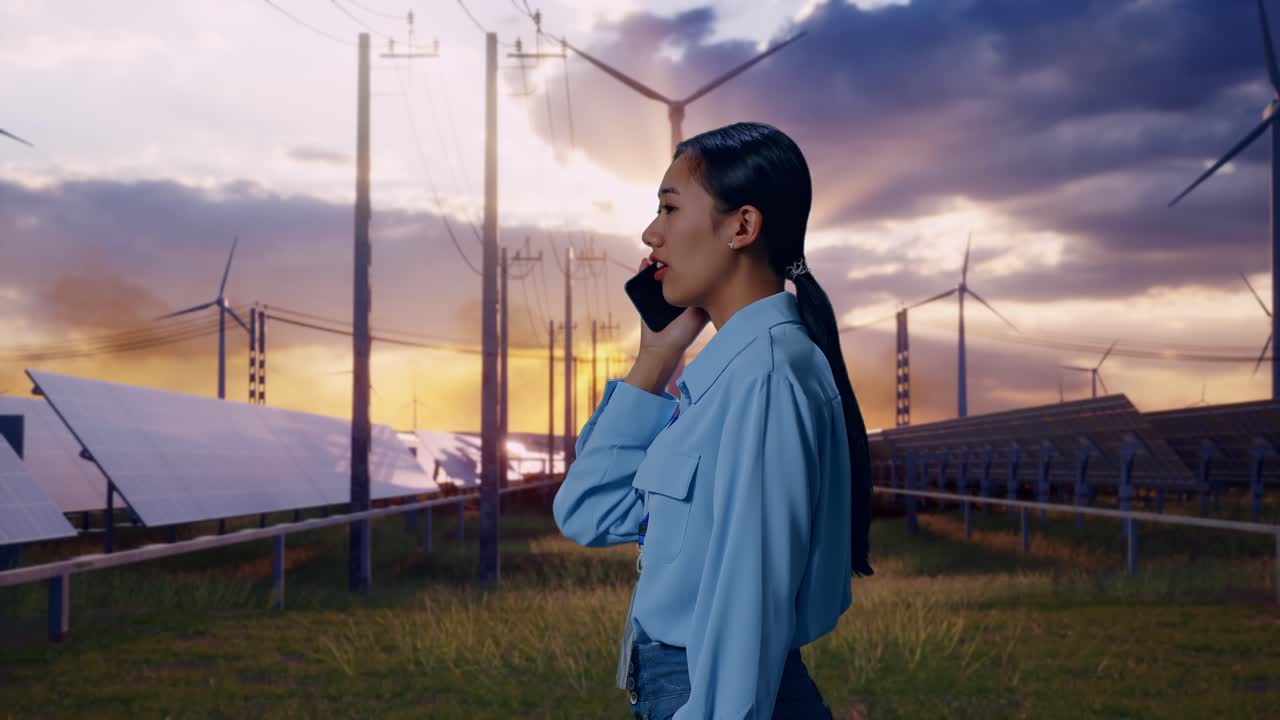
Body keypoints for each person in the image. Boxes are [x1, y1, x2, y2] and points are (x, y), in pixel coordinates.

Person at [552, 121, 874, 719]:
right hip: (688, 686)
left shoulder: (768, 379)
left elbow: (747, 612)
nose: (651, 235)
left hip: (715, 692)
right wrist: (656, 356)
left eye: (670, 208)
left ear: (742, 227)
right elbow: (589, 511)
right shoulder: (730, 377)